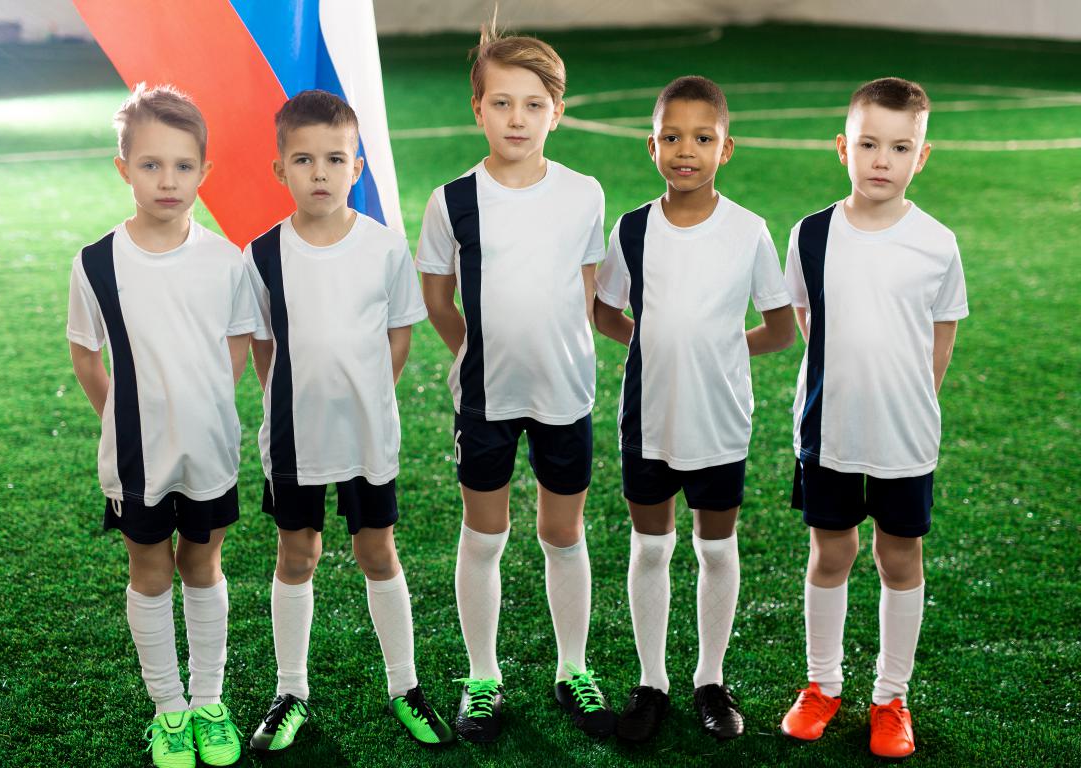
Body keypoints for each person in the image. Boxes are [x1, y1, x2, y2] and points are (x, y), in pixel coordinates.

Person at [416, 22, 614, 742]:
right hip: (486, 399)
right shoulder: (453, 201)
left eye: (533, 105)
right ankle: (482, 675)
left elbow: (588, 291)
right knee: (485, 534)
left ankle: (573, 668)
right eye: (501, 103)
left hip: (565, 392)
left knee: (564, 533)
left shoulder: (584, 194)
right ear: (478, 109)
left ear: (557, 111)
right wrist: (474, 351)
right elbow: (438, 297)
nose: (517, 119)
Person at [243, 90, 452, 753]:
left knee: (375, 551)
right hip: (294, 439)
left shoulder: (384, 249)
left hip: (366, 435)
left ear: (356, 167)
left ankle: (405, 686)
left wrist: (366, 395)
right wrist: (294, 400)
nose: (321, 173)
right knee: (297, 555)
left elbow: (398, 336)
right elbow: (262, 345)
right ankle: (290, 690)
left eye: (335, 159)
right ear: (280, 169)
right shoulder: (263, 254)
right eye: (303, 160)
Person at [594, 75, 795, 743]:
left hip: (719, 419)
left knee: (716, 549)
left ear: (725, 149)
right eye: (673, 137)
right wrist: (651, 339)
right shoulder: (632, 230)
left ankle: (711, 678)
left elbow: (780, 326)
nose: (687, 150)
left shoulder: (748, 231)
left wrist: (719, 349)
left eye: (702, 138)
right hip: (647, 417)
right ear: (651, 146)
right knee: (651, 547)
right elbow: (605, 310)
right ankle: (652, 681)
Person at [779, 77, 968, 760]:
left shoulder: (937, 243)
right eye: (868, 144)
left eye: (899, 146)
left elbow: (941, 337)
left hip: (904, 434)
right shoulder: (810, 234)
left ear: (922, 155)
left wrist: (912, 399)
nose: (881, 159)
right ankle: (822, 686)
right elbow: (807, 317)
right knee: (830, 554)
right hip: (829, 429)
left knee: (900, 556)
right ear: (843, 147)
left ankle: (891, 697)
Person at [67, 83, 254, 768]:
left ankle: (209, 700)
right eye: (150, 165)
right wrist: (123, 418)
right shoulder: (95, 263)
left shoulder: (225, 260)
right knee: (149, 572)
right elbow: (86, 354)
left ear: (204, 173)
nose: (167, 180)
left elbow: (236, 342)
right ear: (123, 168)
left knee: (203, 567)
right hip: (137, 458)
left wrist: (203, 402)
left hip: (208, 448)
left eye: (182, 166)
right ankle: (169, 709)